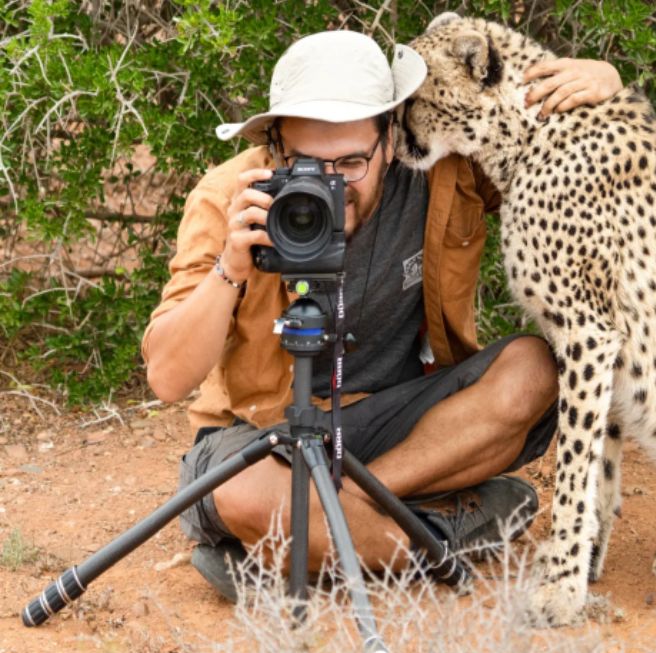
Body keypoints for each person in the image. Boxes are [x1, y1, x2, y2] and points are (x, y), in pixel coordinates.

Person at [141, 28, 623, 600]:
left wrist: (605, 89)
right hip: (267, 434)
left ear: (390, 139)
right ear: (274, 147)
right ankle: (441, 532)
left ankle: (311, 539)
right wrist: (230, 268)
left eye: (351, 162)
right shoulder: (231, 196)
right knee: (241, 492)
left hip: (397, 426)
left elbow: (552, 156)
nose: (330, 183)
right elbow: (168, 377)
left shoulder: (440, 172)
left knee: (536, 369)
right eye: (305, 163)